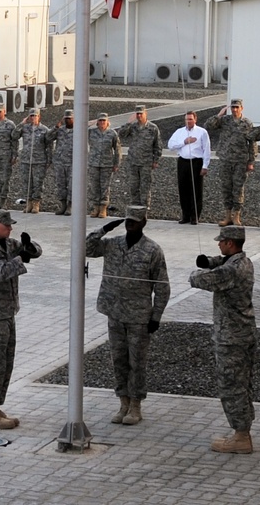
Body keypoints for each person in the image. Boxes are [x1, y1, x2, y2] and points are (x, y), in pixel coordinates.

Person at [85, 206, 169, 427]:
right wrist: (103, 228)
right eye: (127, 220)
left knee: (137, 362)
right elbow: (86, 248)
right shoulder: (113, 244)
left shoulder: (152, 250)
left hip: (139, 316)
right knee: (119, 360)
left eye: (134, 221)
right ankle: (123, 402)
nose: (130, 224)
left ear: (143, 222)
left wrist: (156, 316)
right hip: (114, 313)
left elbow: (162, 287)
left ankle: (135, 405)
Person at [191, 226, 256, 454]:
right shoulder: (243, 262)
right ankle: (243, 431)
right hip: (243, 333)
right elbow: (221, 262)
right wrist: (209, 261)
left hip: (231, 338)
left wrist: (198, 271)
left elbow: (199, 280)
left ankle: (241, 437)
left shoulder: (230, 272)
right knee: (242, 383)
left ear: (230, 243)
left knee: (231, 385)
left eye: (221, 242)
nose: (218, 244)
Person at [0, 209, 42, 429]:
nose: (10, 228)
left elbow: (35, 252)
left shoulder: (7, 243)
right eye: (7, 225)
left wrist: (30, 247)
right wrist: (20, 259)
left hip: (7, 313)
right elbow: (0, 273)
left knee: (5, 364)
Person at [205, 99, 256, 227]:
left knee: (238, 188)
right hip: (226, 159)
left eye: (237, 107)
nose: (234, 110)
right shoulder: (225, 120)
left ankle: (236, 215)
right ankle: (227, 215)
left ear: (241, 108)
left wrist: (251, 161)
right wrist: (219, 114)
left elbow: (252, 143)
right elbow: (208, 126)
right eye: (232, 107)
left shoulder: (247, 123)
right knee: (226, 188)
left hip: (240, 161)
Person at [167, 111, 211, 225]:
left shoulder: (202, 132)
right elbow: (170, 145)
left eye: (190, 119)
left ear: (195, 120)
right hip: (183, 162)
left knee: (196, 190)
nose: (188, 121)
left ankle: (195, 216)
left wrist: (205, 166)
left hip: (196, 162)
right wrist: (184, 142)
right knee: (183, 189)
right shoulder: (179, 132)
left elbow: (207, 150)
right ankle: (185, 215)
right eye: (187, 119)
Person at [116, 105, 163, 209]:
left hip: (146, 162)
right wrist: (128, 122)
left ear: (145, 114)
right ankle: (135, 207)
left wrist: (156, 160)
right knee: (133, 186)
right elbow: (121, 134)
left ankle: (144, 208)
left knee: (145, 186)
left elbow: (158, 145)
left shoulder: (153, 128)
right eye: (137, 114)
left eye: (141, 114)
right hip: (133, 161)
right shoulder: (132, 127)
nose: (139, 116)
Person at [13, 107, 53, 214]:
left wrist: (49, 160)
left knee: (37, 183)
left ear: (39, 117)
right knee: (26, 183)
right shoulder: (25, 128)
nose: (33, 118)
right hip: (26, 160)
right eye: (31, 116)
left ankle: (36, 203)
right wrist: (21, 123)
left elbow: (49, 146)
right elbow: (14, 135)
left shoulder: (44, 130)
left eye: (35, 116)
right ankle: (29, 203)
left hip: (39, 161)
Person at [88, 112, 121, 218]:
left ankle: (103, 208)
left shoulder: (112, 134)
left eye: (104, 120)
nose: (102, 122)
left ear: (107, 122)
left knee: (105, 187)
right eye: (100, 120)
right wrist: (88, 124)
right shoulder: (91, 132)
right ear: (97, 122)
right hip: (93, 163)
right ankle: (95, 208)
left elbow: (117, 149)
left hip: (107, 164)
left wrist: (116, 163)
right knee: (94, 187)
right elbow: (78, 131)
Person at [46, 109, 76, 215]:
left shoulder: (79, 131)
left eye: (70, 119)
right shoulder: (60, 130)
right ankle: (63, 205)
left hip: (73, 162)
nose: (68, 120)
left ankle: (70, 206)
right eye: (66, 118)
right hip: (60, 162)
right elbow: (48, 138)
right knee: (61, 185)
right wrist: (56, 127)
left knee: (72, 185)